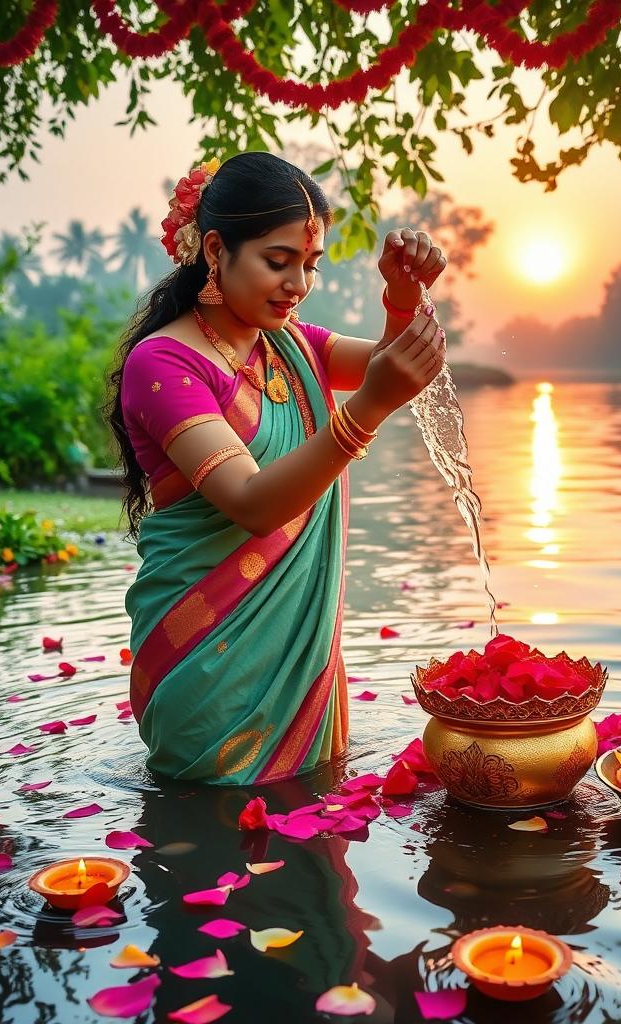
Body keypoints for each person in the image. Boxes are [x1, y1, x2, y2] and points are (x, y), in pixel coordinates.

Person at [105, 151, 448, 784]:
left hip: (301, 664)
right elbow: (254, 505)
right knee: (216, 847)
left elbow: (396, 362)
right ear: (215, 251)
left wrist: (402, 294)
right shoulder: (164, 363)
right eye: (277, 261)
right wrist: (366, 409)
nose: (298, 285)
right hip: (210, 666)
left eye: (309, 265)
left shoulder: (290, 345)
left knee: (310, 838)